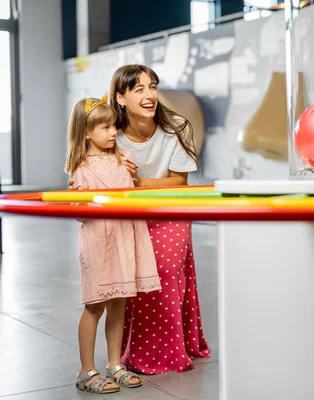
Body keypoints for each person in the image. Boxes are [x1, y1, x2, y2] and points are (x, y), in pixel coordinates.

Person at [109, 64, 211, 374]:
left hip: (170, 212)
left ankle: (168, 353)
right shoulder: (112, 134)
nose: (149, 94)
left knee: (166, 275)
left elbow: (180, 181)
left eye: (152, 86)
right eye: (138, 89)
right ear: (121, 98)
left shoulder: (177, 127)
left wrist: (138, 183)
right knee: (135, 282)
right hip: (132, 216)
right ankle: (135, 353)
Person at [66, 95, 162, 393]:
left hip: (125, 237)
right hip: (100, 242)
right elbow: (80, 212)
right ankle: (86, 371)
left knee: (119, 303)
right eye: (105, 127)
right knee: (95, 305)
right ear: (86, 132)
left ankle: (114, 364)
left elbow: (133, 195)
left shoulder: (124, 158)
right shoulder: (82, 169)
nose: (112, 133)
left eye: (112, 127)